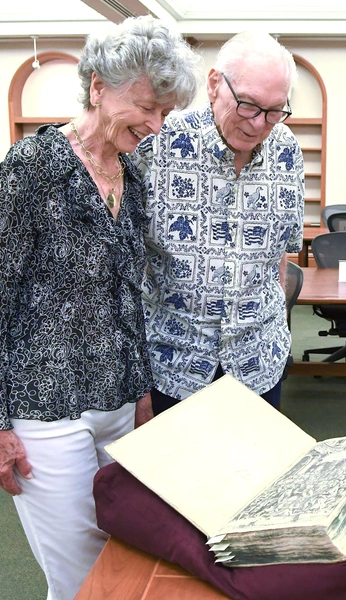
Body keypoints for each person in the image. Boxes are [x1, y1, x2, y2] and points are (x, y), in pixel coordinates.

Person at [0, 16, 201, 599]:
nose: (156, 125)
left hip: (118, 400)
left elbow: (128, 294)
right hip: (46, 405)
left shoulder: (131, 176)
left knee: (125, 556)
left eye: (165, 113)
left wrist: (140, 389)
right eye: (146, 107)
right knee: (83, 576)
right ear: (96, 87)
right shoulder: (30, 169)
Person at [134, 31, 304, 415]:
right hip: (171, 366)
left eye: (275, 110)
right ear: (214, 85)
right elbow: (126, 266)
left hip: (258, 365)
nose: (260, 123)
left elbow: (278, 257)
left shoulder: (288, 151)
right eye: (247, 105)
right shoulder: (157, 145)